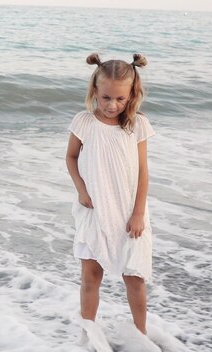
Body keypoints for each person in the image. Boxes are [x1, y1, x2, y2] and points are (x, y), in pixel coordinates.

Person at [65, 53, 155, 336]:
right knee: (91, 276)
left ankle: (140, 336)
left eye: (120, 99)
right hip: (94, 209)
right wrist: (81, 190)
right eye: (105, 98)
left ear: (132, 95)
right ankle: (88, 334)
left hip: (129, 211)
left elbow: (143, 173)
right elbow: (70, 157)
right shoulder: (84, 122)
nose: (112, 105)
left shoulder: (136, 125)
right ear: (95, 91)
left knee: (135, 276)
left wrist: (138, 213)